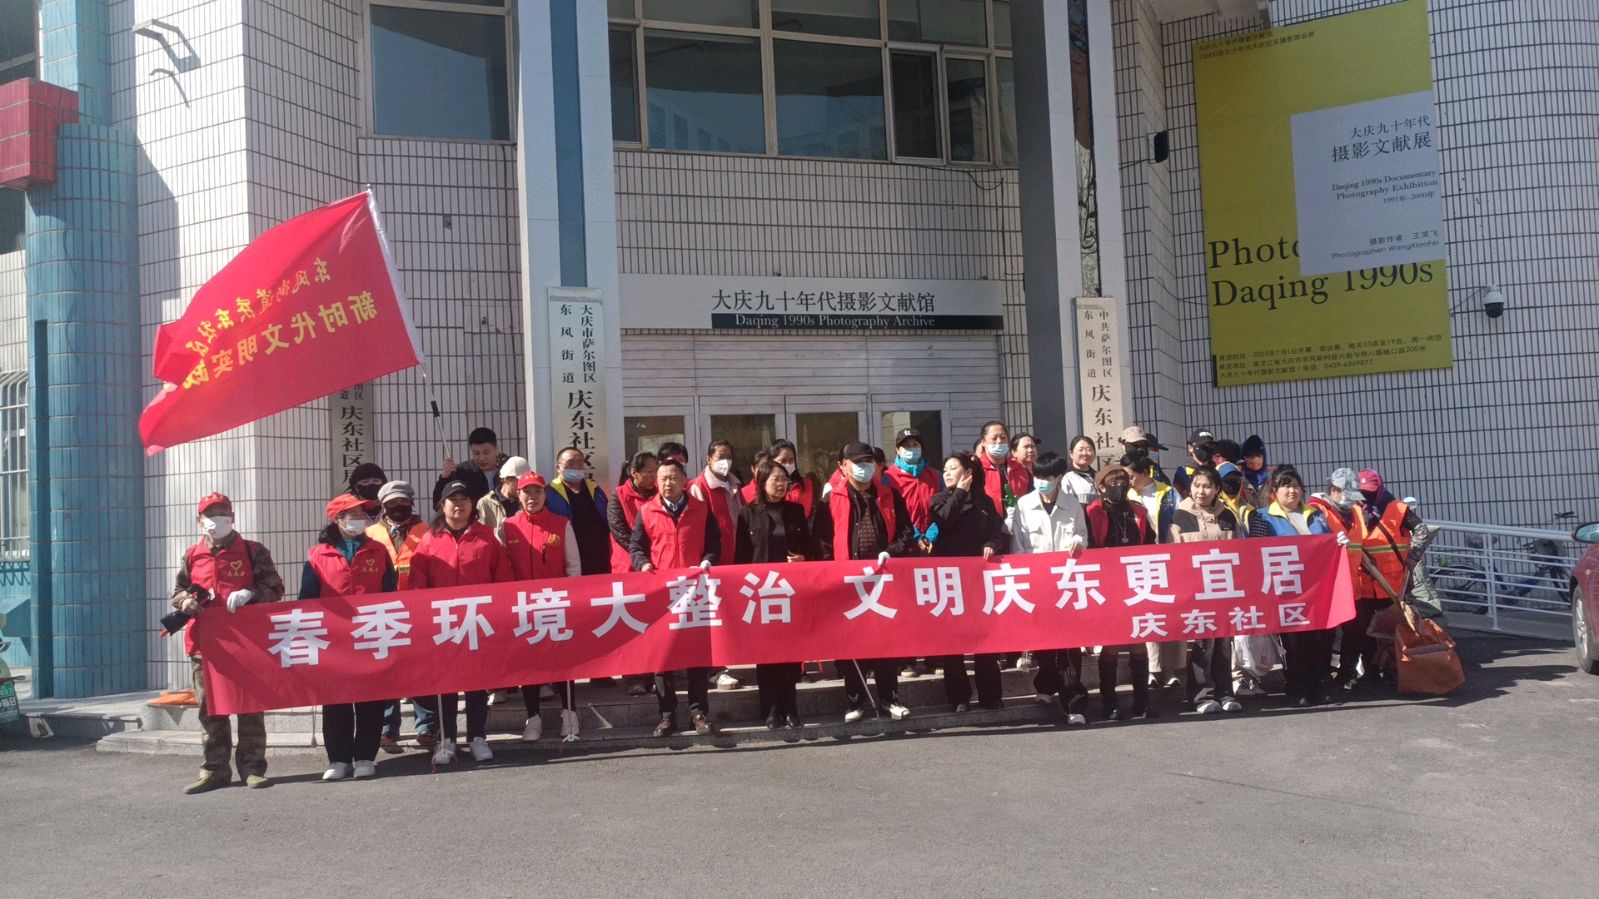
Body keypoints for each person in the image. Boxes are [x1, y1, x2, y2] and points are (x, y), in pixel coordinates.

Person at [169, 492, 286, 794]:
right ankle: (215, 770)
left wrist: (251, 594)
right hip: (205, 646)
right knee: (211, 711)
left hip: (246, 644)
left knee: (249, 708)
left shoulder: (252, 551)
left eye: (223, 513)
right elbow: (178, 591)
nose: (217, 520)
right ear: (199, 520)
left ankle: (253, 767)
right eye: (210, 515)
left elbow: (275, 588)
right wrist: (185, 602)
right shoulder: (192, 554)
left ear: (232, 517)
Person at [410, 479, 512, 764]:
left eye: (464, 499)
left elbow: (502, 578)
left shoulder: (486, 537)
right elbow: (417, 583)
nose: (459, 504)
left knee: (477, 682)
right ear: (441, 505)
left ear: (472, 505)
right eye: (452, 499)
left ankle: (477, 737)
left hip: (478, 621)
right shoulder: (429, 540)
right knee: (446, 683)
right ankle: (447, 740)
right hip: (443, 624)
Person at [813, 441, 917, 723]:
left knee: (885, 641)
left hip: (883, 579)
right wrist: (830, 574)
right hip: (847, 581)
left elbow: (906, 531)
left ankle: (889, 699)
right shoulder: (830, 500)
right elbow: (821, 542)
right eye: (857, 463)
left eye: (868, 462)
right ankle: (855, 701)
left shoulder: (889, 494)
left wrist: (891, 551)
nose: (864, 468)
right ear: (842, 466)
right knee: (851, 642)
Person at [303, 494, 398, 780]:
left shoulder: (378, 551)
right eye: (352, 515)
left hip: (370, 634)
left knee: (370, 698)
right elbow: (307, 599)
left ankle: (366, 757)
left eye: (362, 515)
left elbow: (390, 592)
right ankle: (339, 759)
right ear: (337, 519)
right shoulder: (318, 555)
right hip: (333, 640)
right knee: (336, 700)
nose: (359, 520)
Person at [630, 458, 721, 736]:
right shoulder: (647, 511)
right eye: (662, 478)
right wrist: (642, 564)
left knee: (697, 655)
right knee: (663, 658)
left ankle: (698, 713)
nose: (667, 483)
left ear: (684, 480)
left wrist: (707, 561)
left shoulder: (701, 510)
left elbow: (714, 544)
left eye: (672, 477)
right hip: (662, 595)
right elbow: (636, 547)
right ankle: (667, 715)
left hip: (695, 593)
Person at [733, 458, 816, 729]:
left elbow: (812, 548)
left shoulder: (795, 511)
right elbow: (740, 558)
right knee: (766, 655)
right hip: (762, 595)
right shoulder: (747, 514)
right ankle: (770, 709)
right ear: (762, 482)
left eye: (784, 479)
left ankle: (790, 708)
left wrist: (803, 558)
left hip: (789, 593)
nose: (781, 484)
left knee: (790, 654)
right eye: (775, 479)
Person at [502, 471, 584, 743]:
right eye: (526, 492)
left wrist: (571, 601)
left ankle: (569, 713)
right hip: (522, 607)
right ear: (518, 495)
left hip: (555, 604)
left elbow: (573, 566)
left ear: (545, 494)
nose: (532, 497)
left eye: (537, 491)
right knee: (528, 664)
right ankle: (533, 717)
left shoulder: (561, 524)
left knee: (562, 661)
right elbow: (501, 566)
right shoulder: (508, 526)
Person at [1009, 452, 1090, 722]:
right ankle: (1045, 686)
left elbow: (1083, 535)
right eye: (1038, 477)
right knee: (1044, 641)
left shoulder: (1072, 504)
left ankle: (1074, 703)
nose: (1041, 482)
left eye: (1047, 477)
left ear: (1058, 478)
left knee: (1069, 645)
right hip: (1038, 584)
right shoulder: (1024, 505)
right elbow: (1018, 546)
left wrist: (1078, 542)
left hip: (1066, 584)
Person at [929, 453, 1008, 711]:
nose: (946, 473)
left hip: (979, 579)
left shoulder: (984, 502)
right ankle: (959, 697)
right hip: (949, 580)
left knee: (985, 638)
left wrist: (992, 543)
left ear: (968, 472)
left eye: (953, 468)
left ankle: (990, 695)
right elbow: (943, 521)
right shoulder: (939, 499)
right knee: (953, 641)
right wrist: (960, 493)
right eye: (945, 469)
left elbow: (998, 531)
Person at [1249, 465, 1333, 707]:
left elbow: (1327, 545)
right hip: (1286, 591)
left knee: (1321, 639)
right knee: (1294, 643)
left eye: (1296, 486)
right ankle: (1297, 688)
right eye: (1285, 486)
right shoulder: (1262, 516)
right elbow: (1256, 552)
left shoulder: (1316, 515)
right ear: (1274, 491)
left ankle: (1319, 686)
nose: (1292, 491)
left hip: (1317, 589)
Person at [366, 481, 438, 751]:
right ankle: (387, 727)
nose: (398, 506)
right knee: (387, 669)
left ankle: (427, 725)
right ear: (383, 506)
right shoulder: (370, 533)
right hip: (383, 611)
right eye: (392, 503)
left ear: (412, 501)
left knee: (420, 668)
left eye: (403, 501)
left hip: (418, 609)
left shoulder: (427, 531)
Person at [1085, 465, 1160, 721]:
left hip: (1136, 582)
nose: (1119, 487)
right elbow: (1090, 546)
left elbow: (1150, 543)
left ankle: (1142, 701)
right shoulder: (1093, 512)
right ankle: (1110, 702)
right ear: (1101, 487)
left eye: (1123, 483)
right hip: (1108, 584)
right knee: (1112, 643)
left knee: (1139, 642)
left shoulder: (1138, 512)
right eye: (1113, 484)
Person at [1169, 468, 1244, 715]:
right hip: (1196, 591)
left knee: (1224, 642)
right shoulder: (1180, 516)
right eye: (1197, 485)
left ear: (1217, 489)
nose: (1201, 491)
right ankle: (1201, 695)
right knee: (1203, 643)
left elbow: (1239, 552)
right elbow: (1173, 556)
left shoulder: (1227, 516)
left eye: (1207, 486)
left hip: (1224, 589)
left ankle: (1225, 692)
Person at [1342, 468, 1423, 690]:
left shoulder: (1398, 508)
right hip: (1364, 583)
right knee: (1363, 630)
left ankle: (1393, 669)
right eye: (1362, 491)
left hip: (1393, 584)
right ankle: (1368, 671)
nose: (1366, 495)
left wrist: (1414, 556)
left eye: (1371, 491)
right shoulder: (1353, 509)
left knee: (1391, 630)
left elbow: (1421, 530)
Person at [1309, 468, 1371, 691]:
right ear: (1334, 490)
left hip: (1353, 585)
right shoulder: (1317, 511)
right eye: (1347, 494)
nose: (1351, 501)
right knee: (1326, 634)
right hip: (1329, 587)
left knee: (1356, 631)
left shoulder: (1356, 512)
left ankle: (1347, 673)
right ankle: (1322, 675)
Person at [1126, 453, 1182, 687]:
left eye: (1131, 476)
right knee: (1148, 613)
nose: (1127, 480)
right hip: (1139, 561)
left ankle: (1171, 669)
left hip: (1168, 559)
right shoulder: (1126, 494)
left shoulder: (1168, 493)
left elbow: (1180, 520)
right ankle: (1151, 668)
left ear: (1144, 473)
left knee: (1171, 613)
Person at [607, 451, 660, 696]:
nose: (654, 476)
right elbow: (620, 531)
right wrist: (641, 556)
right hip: (628, 569)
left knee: (656, 623)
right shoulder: (618, 495)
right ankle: (635, 677)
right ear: (634, 473)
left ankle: (658, 674)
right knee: (631, 624)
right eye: (649, 471)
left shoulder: (660, 494)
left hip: (656, 568)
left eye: (656, 470)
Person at [547, 446, 613, 577]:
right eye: (570, 463)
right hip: (568, 560)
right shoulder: (548, 493)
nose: (576, 467)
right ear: (558, 468)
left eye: (580, 462)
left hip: (599, 559)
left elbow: (608, 520)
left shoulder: (596, 490)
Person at [885, 427, 940, 546]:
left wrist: (931, 535)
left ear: (921, 449)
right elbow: (890, 513)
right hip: (903, 544)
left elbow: (944, 509)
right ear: (898, 450)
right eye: (906, 445)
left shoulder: (936, 476)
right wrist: (916, 537)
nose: (911, 448)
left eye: (915, 444)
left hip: (934, 544)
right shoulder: (888, 478)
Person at [434, 426, 508, 507]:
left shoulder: (510, 467)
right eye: (476, 453)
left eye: (486, 452)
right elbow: (438, 504)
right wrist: (444, 479)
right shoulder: (462, 472)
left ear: (496, 448)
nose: (481, 458)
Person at [976, 421, 1033, 513]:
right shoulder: (976, 469)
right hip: (987, 520)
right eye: (994, 438)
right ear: (983, 442)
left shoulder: (1020, 469)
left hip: (1018, 519)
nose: (999, 441)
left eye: (1003, 437)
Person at [478, 456, 530, 534]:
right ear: (507, 479)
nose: (523, 485)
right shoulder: (486, 503)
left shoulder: (527, 501)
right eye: (520, 481)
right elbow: (480, 535)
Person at [769, 439, 818, 516]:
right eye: (783, 460)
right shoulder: (768, 485)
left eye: (791, 460)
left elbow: (809, 512)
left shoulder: (805, 484)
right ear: (772, 461)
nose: (788, 464)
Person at [1172, 428, 1216, 499]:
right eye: (1202, 446)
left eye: (1210, 446)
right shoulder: (1183, 472)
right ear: (1190, 448)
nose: (1207, 449)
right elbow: (1177, 498)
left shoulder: (1216, 470)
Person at [1062, 435, 1099, 506]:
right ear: (1071, 453)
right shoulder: (1065, 477)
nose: (1085, 453)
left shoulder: (1098, 476)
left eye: (1089, 450)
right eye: (1080, 450)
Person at [1241, 435, 1271, 507]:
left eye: (1258, 455)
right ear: (1243, 458)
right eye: (1250, 456)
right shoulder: (1239, 478)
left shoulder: (1272, 476)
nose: (1255, 459)